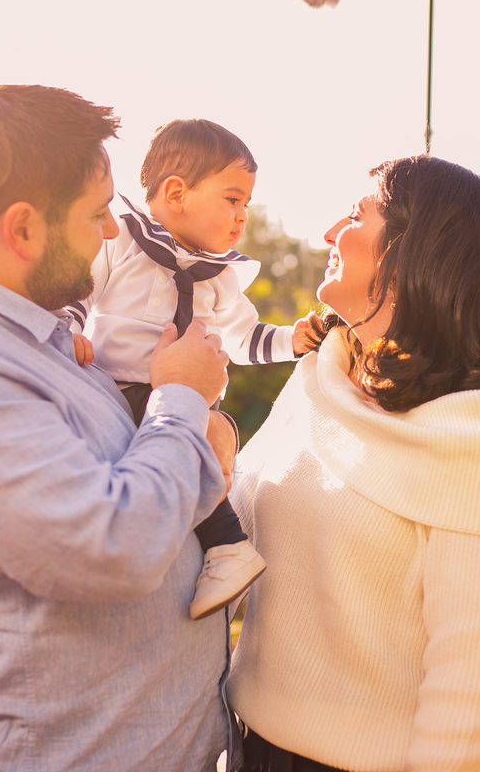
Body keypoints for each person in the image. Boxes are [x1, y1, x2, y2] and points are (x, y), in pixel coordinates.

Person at [0, 85, 242, 772]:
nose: (114, 231)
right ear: (24, 229)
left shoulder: (34, 326)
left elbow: (142, 488)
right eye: (96, 213)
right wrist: (180, 398)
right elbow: (113, 547)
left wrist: (197, 435)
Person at [226, 155, 480, 772]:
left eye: (355, 216)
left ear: (411, 253)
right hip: (249, 745)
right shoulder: (319, 376)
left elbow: (462, 692)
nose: (329, 233)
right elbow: (228, 532)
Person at [67, 118, 309, 619]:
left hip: (189, 397)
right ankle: (218, 551)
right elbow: (78, 292)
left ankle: (227, 548)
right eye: (232, 199)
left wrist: (294, 340)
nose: (242, 217)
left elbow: (245, 338)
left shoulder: (220, 277)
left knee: (197, 452)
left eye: (246, 204)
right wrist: (68, 330)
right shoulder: (123, 240)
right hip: (116, 390)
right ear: (176, 193)